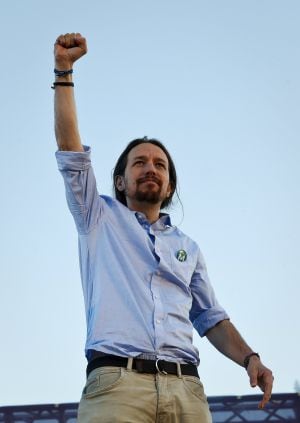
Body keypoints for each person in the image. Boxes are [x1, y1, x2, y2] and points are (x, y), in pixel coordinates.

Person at [53, 33, 273, 423]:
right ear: (120, 181)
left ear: (169, 185)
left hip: (186, 388)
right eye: (139, 163)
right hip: (117, 385)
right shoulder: (97, 217)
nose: (150, 168)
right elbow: (71, 151)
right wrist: (65, 71)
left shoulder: (188, 247)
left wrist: (250, 358)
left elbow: (211, 317)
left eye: (160, 164)